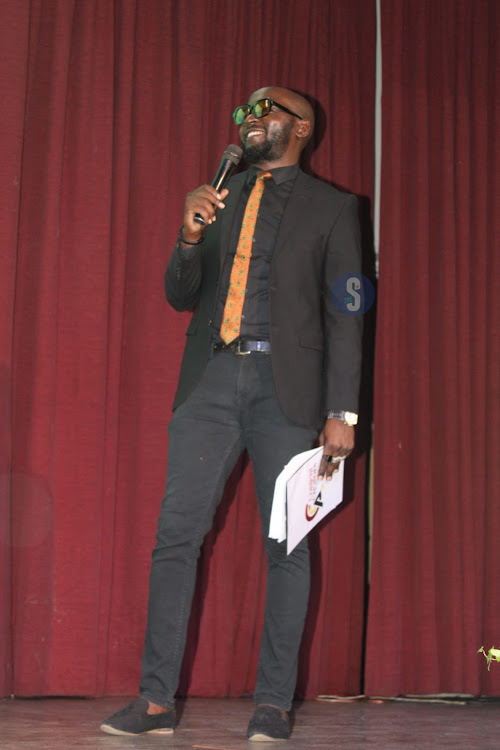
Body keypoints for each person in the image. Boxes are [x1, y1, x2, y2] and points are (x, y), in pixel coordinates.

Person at [100, 86, 363, 741]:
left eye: (266, 109)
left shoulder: (335, 209)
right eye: (246, 110)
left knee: (287, 547)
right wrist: (188, 237)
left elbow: (347, 314)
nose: (251, 118)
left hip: (289, 392)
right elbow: (179, 295)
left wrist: (344, 414)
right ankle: (155, 701)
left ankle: (272, 705)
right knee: (175, 540)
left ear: (300, 127)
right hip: (211, 382)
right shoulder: (216, 199)